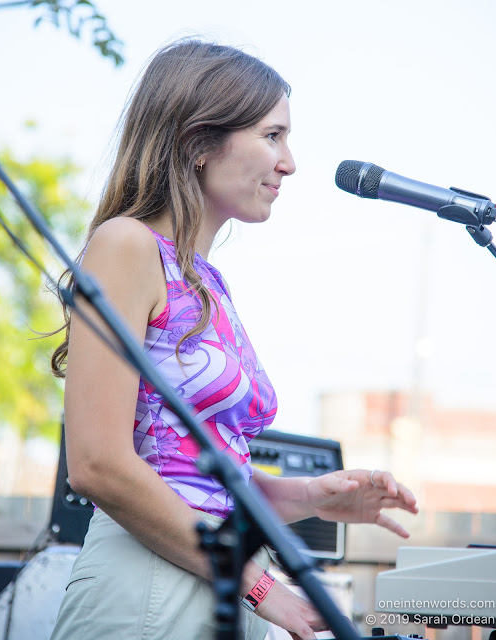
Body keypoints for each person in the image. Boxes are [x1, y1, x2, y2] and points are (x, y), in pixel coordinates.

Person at [49, 39, 418, 640]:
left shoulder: (206, 281)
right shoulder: (126, 244)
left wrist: (308, 497)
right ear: (198, 143)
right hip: (150, 583)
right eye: (272, 136)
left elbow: (198, 477)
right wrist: (260, 584)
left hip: (210, 576)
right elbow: (98, 464)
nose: (290, 162)